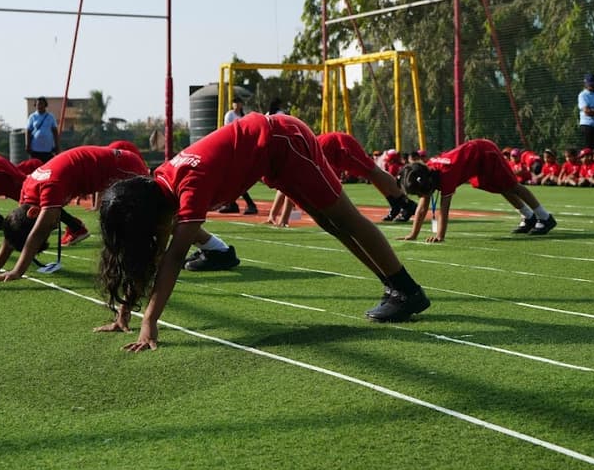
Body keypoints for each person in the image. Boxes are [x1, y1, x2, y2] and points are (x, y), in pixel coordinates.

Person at [93, 113, 432, 351]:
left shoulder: (188, 188)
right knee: (332, 225)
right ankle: (395, 288)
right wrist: (126, 312)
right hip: (272, 156)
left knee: (346, 219)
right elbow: (153, 251)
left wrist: (149, 322)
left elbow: (172, 258)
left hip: (285, 140)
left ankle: (407, 290)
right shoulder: (161, 187)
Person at [0, 145, 150, 282]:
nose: (54, 226)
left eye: (51, 230)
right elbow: (13, 227)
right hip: (118, 165)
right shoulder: (28, 189)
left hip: (126, 168)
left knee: (132, 233)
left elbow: (38, 232)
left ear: (34, 213)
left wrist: (17, 271)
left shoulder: (49, 186)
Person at [399, 138, 557, 242]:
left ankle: (545, 217)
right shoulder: (429, 173)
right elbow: (422, 208)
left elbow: (444, 209)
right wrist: (413, 234)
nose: (420, 196)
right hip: (476, 161)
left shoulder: (446, 174)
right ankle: (528, 216)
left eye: (418, 193)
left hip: (485, 152)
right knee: (500, 187)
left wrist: (439, 236)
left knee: (512, 185)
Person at [269, 131, 418, 226]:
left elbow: (290, 189)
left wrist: (283, 220)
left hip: (340, 146)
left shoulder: (292, 158)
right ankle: (395, 204)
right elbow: (284, 188)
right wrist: (273, 215)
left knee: (372, 172)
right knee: (369, 174)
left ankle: (406, 204)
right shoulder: (288, 160)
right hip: (332, 155)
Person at [217, 97, 259, 215]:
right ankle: (233, 204)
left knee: (236, 178)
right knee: (231, 178)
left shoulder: (243, 116)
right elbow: (229, 130)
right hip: (233, 147)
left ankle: (248, 204)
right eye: (234, 103)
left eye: (238, 103)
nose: (236, 105)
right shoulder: (230, 115)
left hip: (241, 149)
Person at [25, 96, 59, 162]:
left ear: (45, 105)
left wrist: (57, 145)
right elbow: (28, 131)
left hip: (48, 149)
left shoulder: (50, 117)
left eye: (41, 104)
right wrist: (27, 145)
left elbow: (55, 131)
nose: (39, 106)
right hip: (35, 149)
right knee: (35, 166)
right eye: (38, 104)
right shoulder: (32, 117)